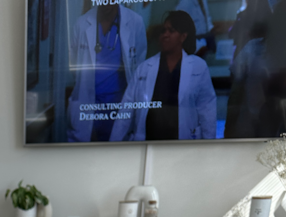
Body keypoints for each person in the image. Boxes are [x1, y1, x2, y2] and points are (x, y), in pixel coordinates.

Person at [110, 10, 217, 141]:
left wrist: (209, 145)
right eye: (163, 30)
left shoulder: (198, 67)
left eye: (171, 31)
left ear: (183, 37)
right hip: (148, 141)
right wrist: (114, 143)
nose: (165, 35)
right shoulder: (144, 68)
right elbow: (126, 110)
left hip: (182, 142)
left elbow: (207, 110)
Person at [67, 1, 147, 142]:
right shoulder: (81, 24)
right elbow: (74, 67)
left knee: (117, 151)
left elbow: (138, 67)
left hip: (119, 107)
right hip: (87, 106)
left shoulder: (135, 22)